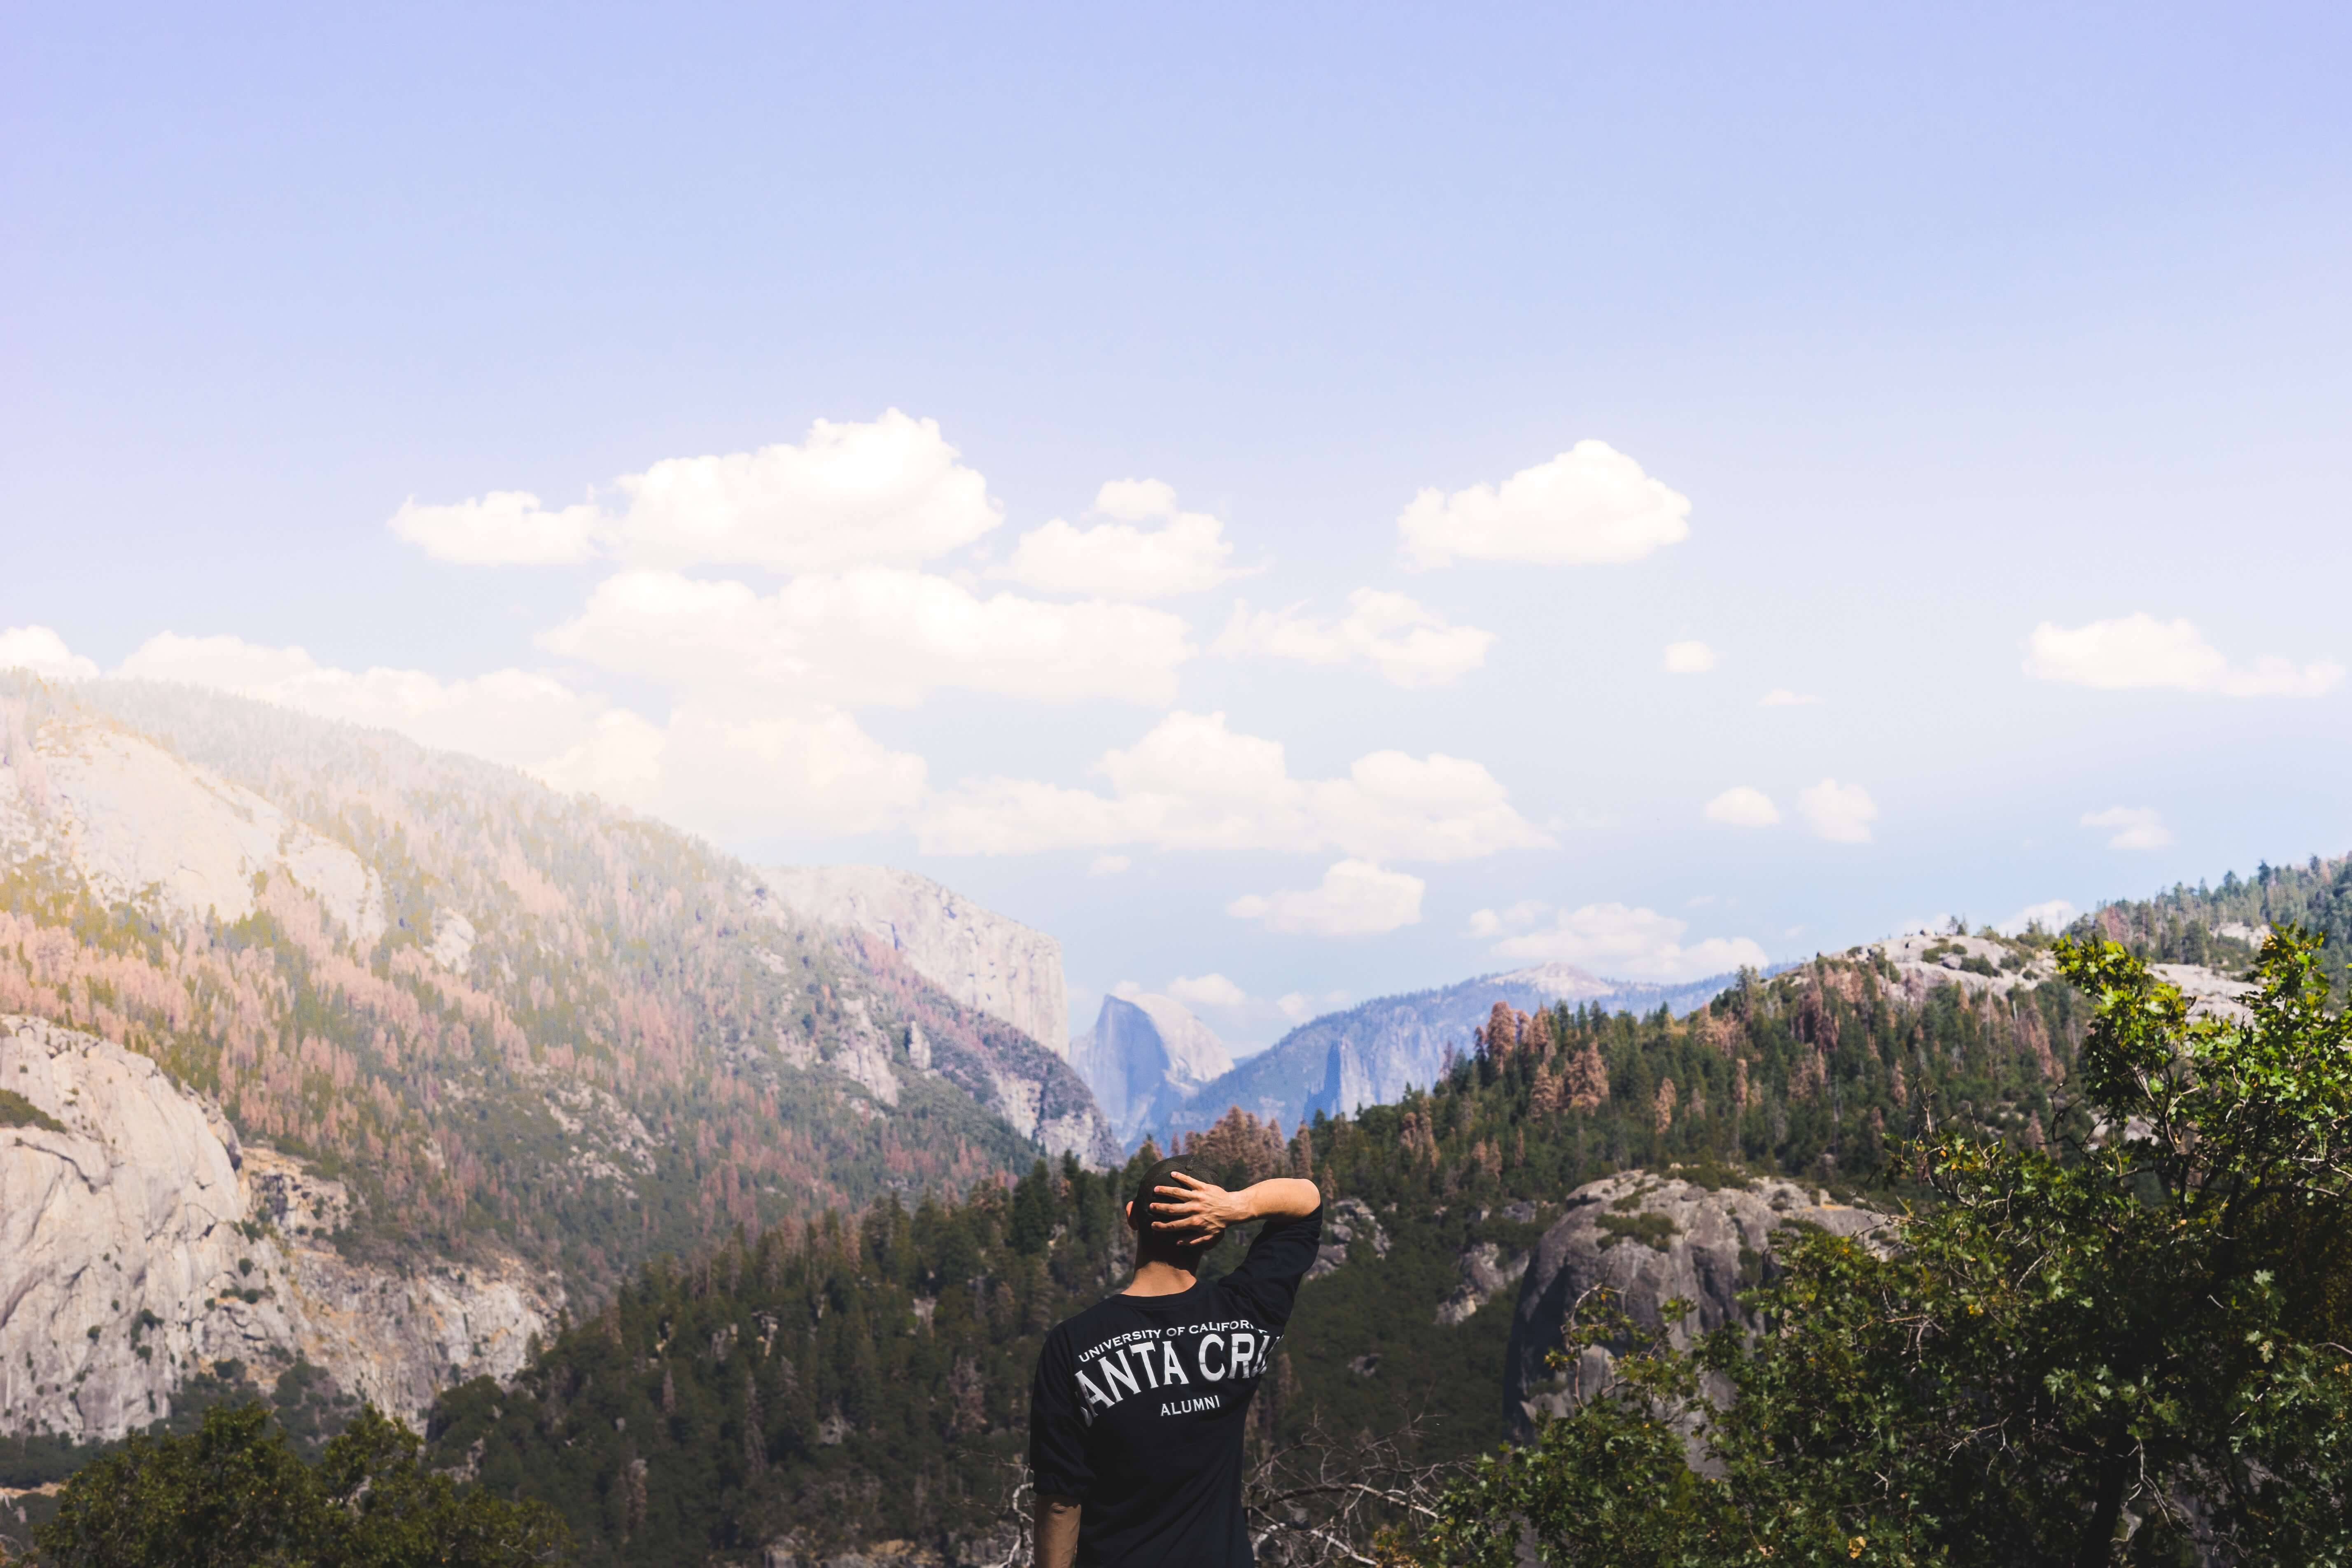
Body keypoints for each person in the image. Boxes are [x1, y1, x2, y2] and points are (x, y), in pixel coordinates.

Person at [1027, 1156, 1323, 1568]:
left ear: (1131, 1216)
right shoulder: (1248, 1313)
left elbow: (1060, 1498)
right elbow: (1308, 1201)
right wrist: (1236, 1206)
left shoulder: (1072, 1344)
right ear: (1214, 1235)